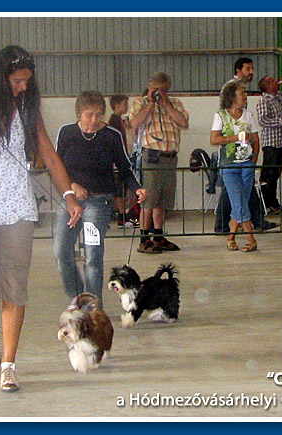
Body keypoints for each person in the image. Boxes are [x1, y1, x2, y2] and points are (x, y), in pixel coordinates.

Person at [0, 45, 82, 392]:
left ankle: (9, 364)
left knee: (15, 285)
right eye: (18, 81)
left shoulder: (26, 109)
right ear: (2, 76)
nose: (24, 87)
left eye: (27, 81)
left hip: (16, 206)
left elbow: (48, 153)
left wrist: (68, 195)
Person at [54, 90, 146, 301]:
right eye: (89, 115)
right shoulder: (66, 133)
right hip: (70, 200)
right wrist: (72, 186)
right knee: (61, 251)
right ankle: (78, 297)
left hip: (99, 201)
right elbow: (57, 167)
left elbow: (125, 168)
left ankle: (92, 306)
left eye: (98, 115)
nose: (94, 120)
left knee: (93, 256)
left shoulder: (112, 136)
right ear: (79, 114)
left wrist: (136, 188)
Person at [215, 57, 278, 232]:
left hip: (242, 150)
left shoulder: (239, 90)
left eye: (252, 68)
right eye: (247, 68)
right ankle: (227, 224)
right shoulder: (232, 89)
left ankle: (251, 221)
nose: (251, 72)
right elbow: (227, 116)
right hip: (234, 151)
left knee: (242, 188)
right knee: (234, 189)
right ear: (238, 70)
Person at [129, 72, 189, 254]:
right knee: (149, 198)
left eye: (163, 90)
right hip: (152, 156)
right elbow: (134, 122)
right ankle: (144, 238)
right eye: (155, 89)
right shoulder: (140, 103)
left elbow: (183, 123)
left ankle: (158, 235)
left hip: (170, 157)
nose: (158, 93)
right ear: (149, 87)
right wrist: (151, 104)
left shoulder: (175, 103)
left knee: (163, 199)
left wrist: (165, 104)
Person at [210, 79, 260, 252]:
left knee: (240, 201)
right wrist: (235, 137)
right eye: (242, 93)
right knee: (238, 201)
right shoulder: (220, 115)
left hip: (246, 164)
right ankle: (251, 238)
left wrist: (253, 161)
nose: (245, 96)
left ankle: (231, 238)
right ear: (232, 96)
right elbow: (214, 139)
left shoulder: (249, 115)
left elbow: (255, 139)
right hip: (228, 165)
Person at [256, 75, 282, 214]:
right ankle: (265, 203)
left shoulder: (279, 96)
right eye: (273, 81)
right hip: (271, 143)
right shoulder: (264, 101)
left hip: (280, 142)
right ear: (267, 86)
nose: (277, 81)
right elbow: (263, 121)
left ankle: (273, 202)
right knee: (269, 174)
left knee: (276, 173)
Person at [108, 94, 139, 228]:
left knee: (121, 189)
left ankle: (122, 216)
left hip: (120, 159)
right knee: (118, 191)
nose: (127, 106)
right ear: (117, 105)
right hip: (116, 162)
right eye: (125, 104)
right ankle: (121, 218)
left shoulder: (119, 120)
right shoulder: (114, 121)